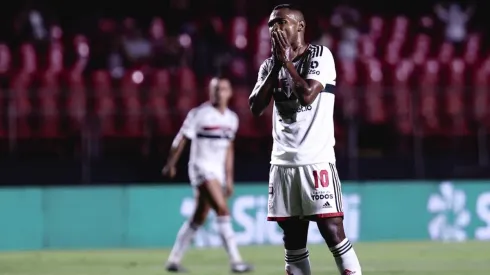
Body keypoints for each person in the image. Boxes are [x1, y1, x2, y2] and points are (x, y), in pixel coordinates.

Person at [249, 4, 362, 275]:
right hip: (282, 164)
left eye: (282, 22)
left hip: (316, 161)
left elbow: (308, 95)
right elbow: (255, 106)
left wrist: (286, 62)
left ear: (300, 26)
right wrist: (277, 64)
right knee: (293, 240)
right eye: (271, 24)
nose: (275, 29)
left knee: (332, 231)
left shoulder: (320, 55)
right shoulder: (268, 65)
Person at [162, 76, 253, 273]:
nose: (218, 93)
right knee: (222, 208)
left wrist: (229, 178)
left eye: (222, 89)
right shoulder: (199, 114)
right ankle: (236, 261)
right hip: (200, 168)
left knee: (199, 217)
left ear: (229, 93)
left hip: (218, 171)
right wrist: (171, 163)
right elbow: (181, 139)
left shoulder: (231, 119)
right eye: (215, 89)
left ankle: (173, 260)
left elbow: (229, 149)